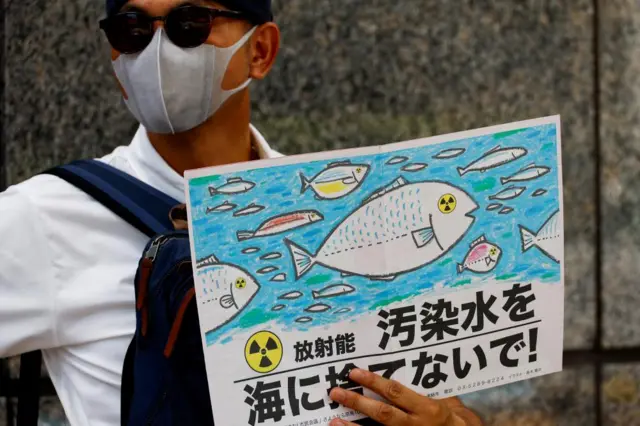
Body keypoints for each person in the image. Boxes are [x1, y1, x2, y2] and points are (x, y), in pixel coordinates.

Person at [0, 0, 483, 425]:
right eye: (132, 29)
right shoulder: (47, 217)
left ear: (261, 51)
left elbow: (435, 399)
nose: (157, 50)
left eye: (191, 22)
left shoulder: (336, 209)